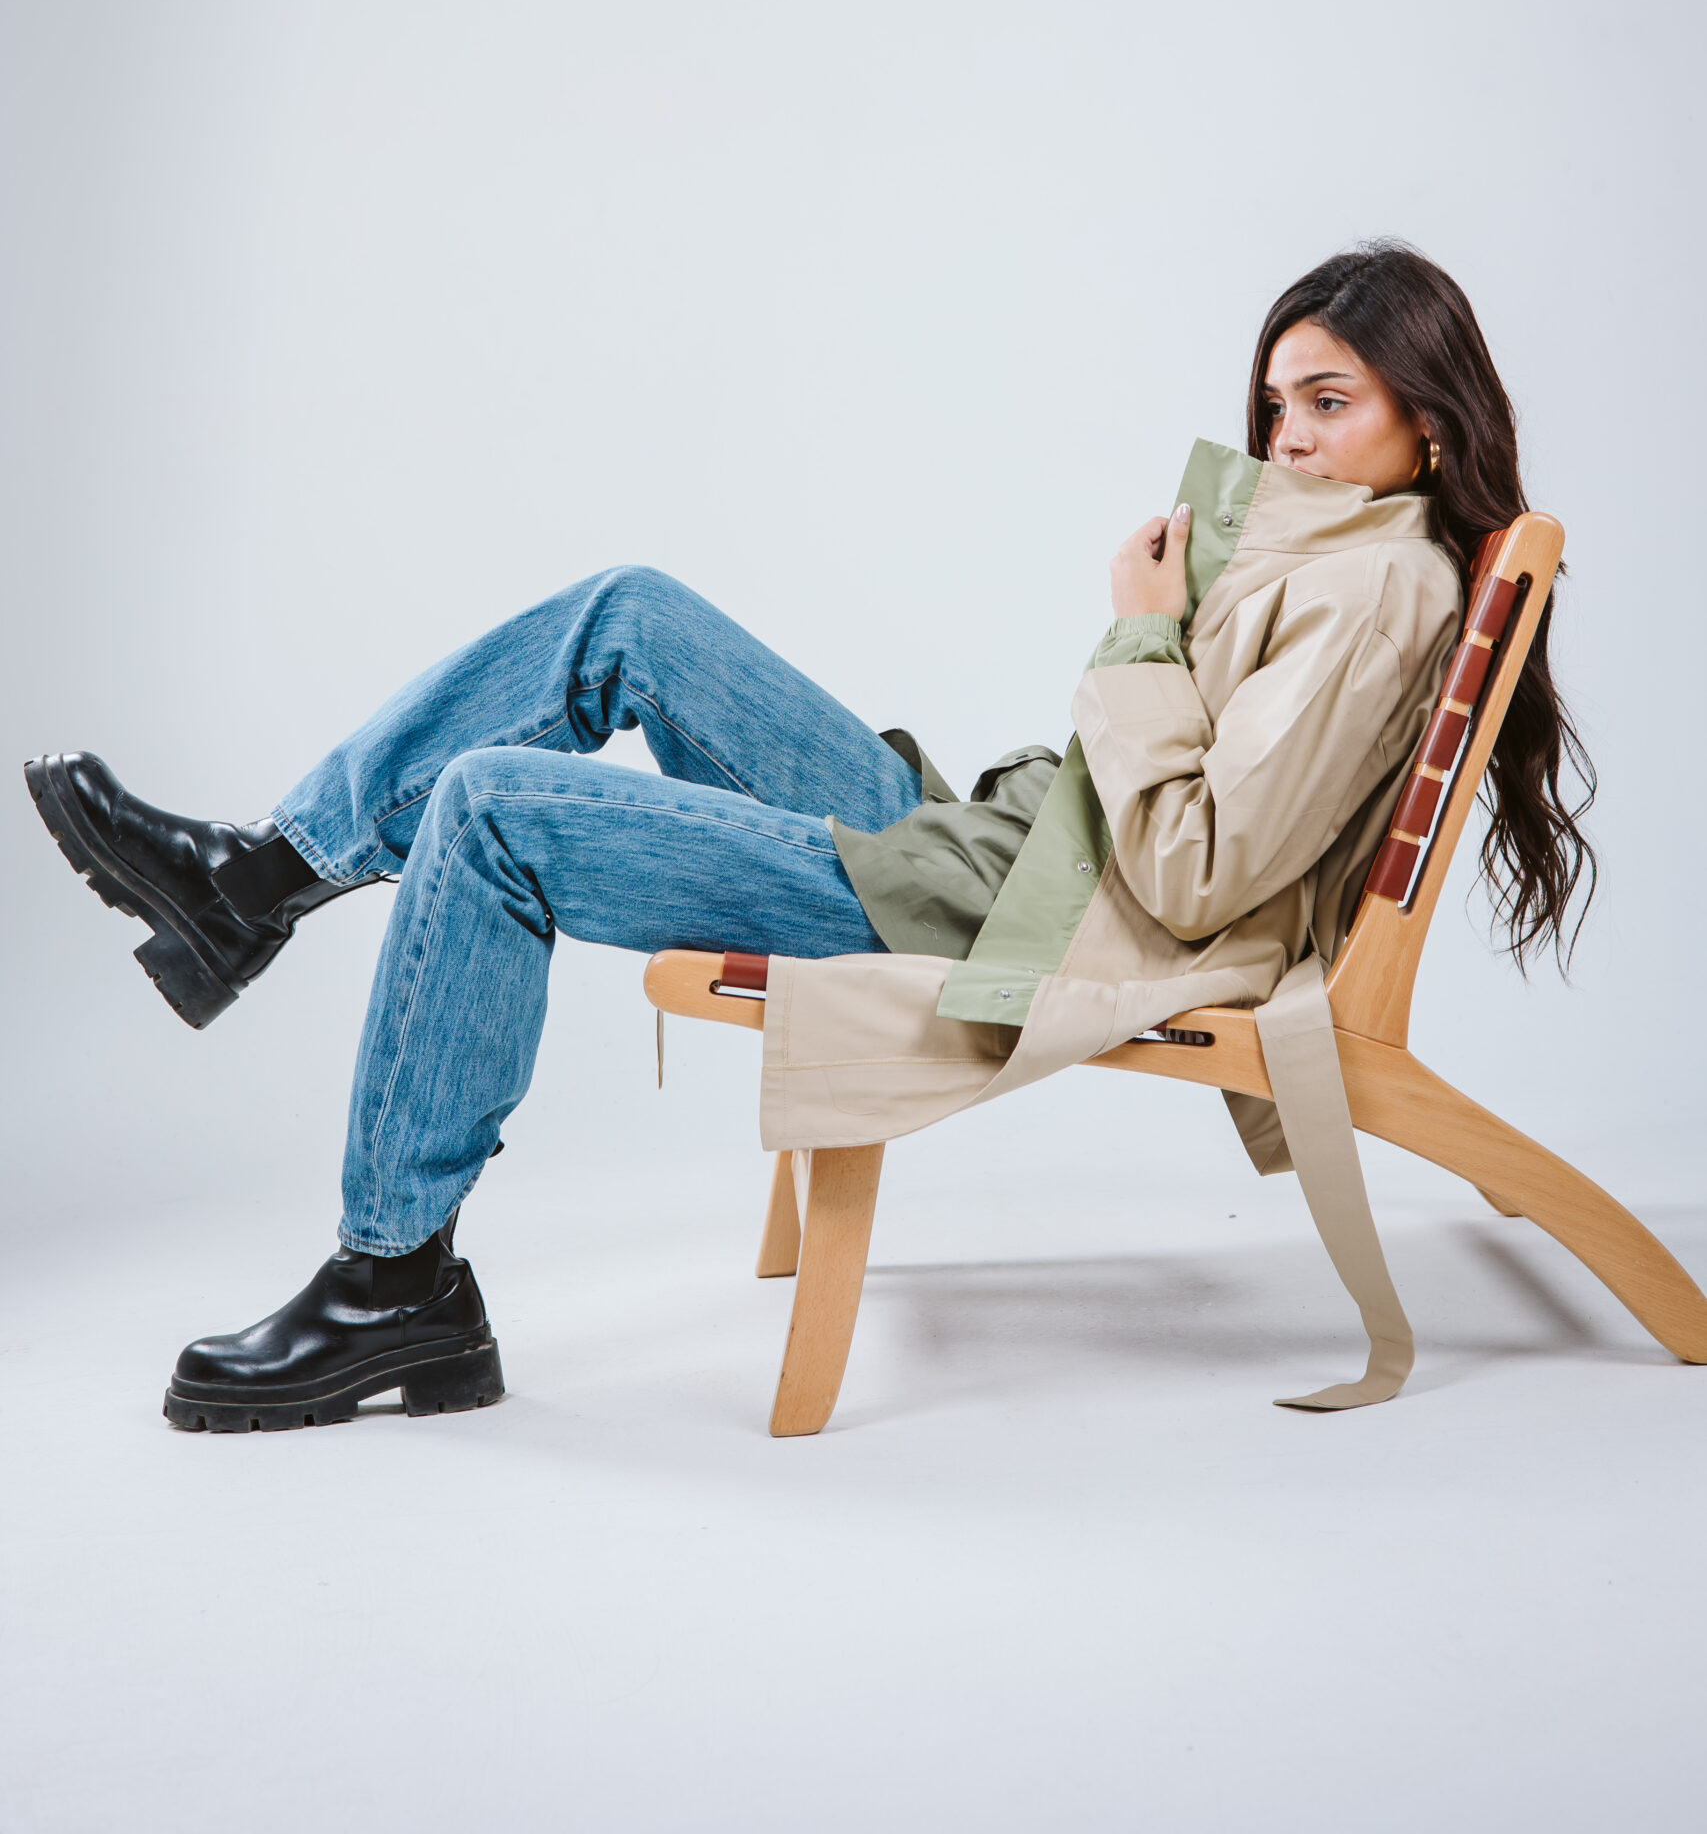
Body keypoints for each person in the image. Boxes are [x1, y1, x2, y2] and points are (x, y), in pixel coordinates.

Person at [26, 242, 1595, 1433]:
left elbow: (1196, 876)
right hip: (1007, 853)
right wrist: (1171, 624)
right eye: (1278, 403)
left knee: (491, 810)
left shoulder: (1375, 593)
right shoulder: (1330, 553)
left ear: (1429, 424)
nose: (1288, 438)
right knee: (629, 614)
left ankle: (394, 1279)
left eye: (1329, 403)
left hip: (1028, 924)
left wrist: (1137, 629)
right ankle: (260, 875)